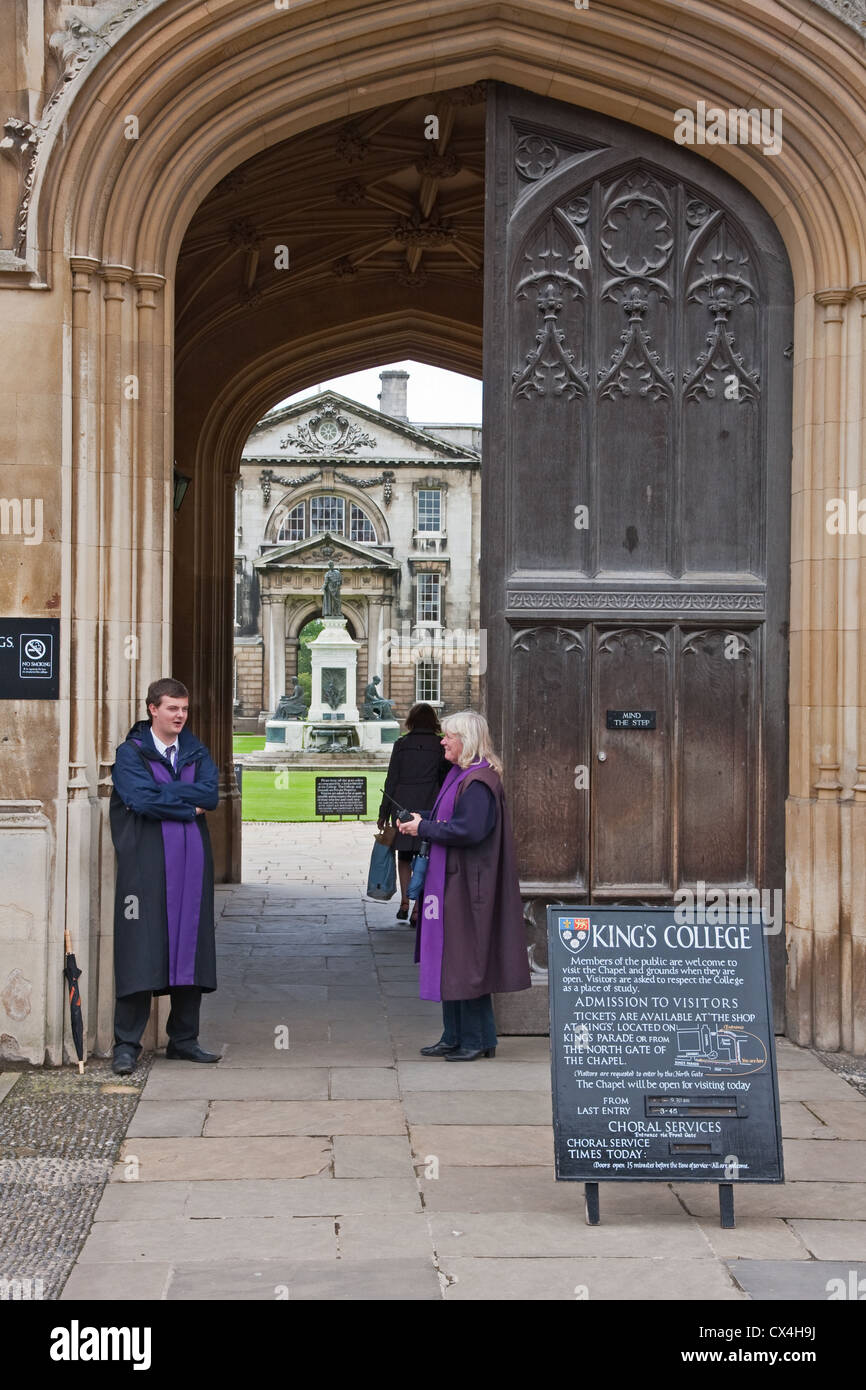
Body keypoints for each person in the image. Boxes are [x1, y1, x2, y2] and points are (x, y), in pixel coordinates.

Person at [401, 710, 530, 1060]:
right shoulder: (462, 776)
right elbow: (449, 818)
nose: (443, 741)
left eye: (449, 736)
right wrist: (421, 820)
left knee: (466, 962)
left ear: (467, 741)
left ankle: (475, 1039)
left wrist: (423, 829)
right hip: (452, 882)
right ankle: (455, 1035)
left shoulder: (479, 782)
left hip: (469, 887)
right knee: (450, 959)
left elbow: (469, 830)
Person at [109, 677, 221, 1074]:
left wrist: (167, 796)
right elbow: (138, 799)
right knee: (140, 947)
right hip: (146, 868)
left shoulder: (195, 751)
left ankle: (184, 1040)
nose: (180, 716)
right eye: (173, 708)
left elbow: (210, 795)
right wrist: (186, 806)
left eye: (184, 709)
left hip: (191, 867)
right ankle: (126, 1044)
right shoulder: (130, 754)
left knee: (191, 948)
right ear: (152, 709)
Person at [377, 703, 449, 921]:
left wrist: (383, 812)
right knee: (425, 855)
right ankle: (418, 907)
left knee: (404, 855)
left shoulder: (401, 744)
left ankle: (405, 902)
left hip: (402, 803)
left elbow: (392, 779)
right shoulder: (439, 745)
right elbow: (444, 779)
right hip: (430, 802)